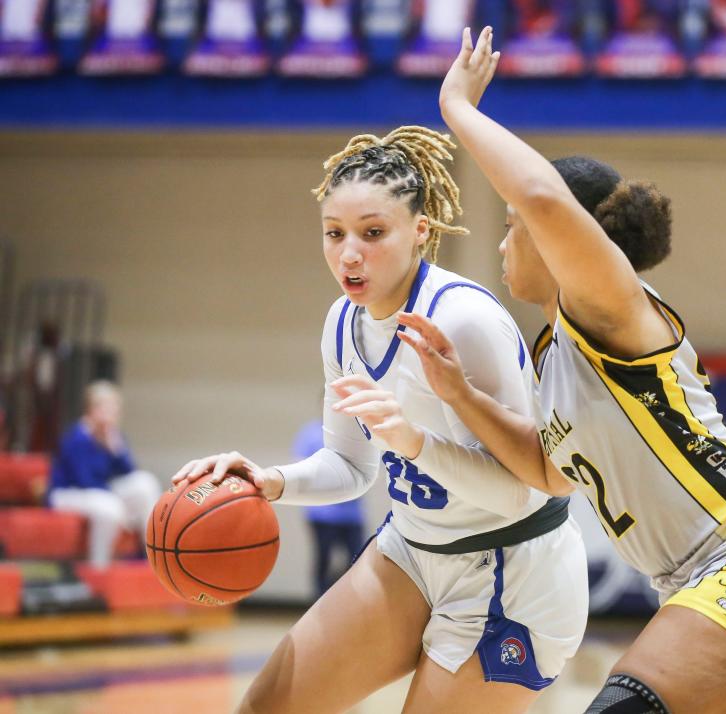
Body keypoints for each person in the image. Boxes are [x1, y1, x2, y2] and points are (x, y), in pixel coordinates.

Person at [396, 27, 726, 714]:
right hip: (694, 577)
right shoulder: (557, 353)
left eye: (510, 224)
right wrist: (458, 393)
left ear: (559, 240)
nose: (502, 239)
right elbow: (549, 472)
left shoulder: (611, 307)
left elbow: (546, 199)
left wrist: (457, 108)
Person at [172, 126, 589, 714]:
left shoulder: (465, 320)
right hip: (414, 550)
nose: (349, 254)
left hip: (511, 569)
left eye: (372, 233)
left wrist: (414, 443)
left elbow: (522, 494)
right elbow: (349, 464)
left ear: (420, 231)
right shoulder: (343, 322)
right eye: (334, 234)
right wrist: (271, 482)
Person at [48, 380, 161, 569]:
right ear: (92, 409)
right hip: (67, 493)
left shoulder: (112, 435)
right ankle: (98, 568)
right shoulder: (77, 437)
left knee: (145, 483)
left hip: (100, 490)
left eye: (115, 409)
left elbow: (130, 472)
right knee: (110, 508)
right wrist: (123, 509)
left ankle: (149, 553)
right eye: (107, 408)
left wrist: (116, 449)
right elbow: (84, 481)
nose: (113, 414)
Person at [291, 416, 365, 595]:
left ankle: (346, 602)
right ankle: (319, 603)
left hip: (352, 514)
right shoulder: (310, 433)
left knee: (357, 562)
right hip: (322, 513)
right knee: (323, 560)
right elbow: (300, 468)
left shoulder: (357, 432)